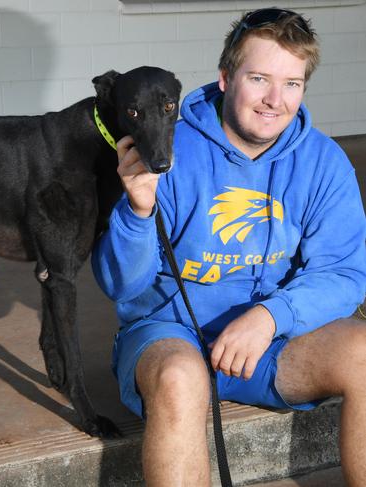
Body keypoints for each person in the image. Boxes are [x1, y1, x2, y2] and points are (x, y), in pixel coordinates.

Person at [91, 8, 366, 486]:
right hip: (171, 333)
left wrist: (270, 317)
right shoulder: (165, 148)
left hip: (271, 345)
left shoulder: (323, 162)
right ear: (225, 78)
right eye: (259, 78)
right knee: (180, 377)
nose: (275, 101)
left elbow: (345, 273)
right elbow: (121, 286)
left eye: (292, 84)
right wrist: (137, 213)